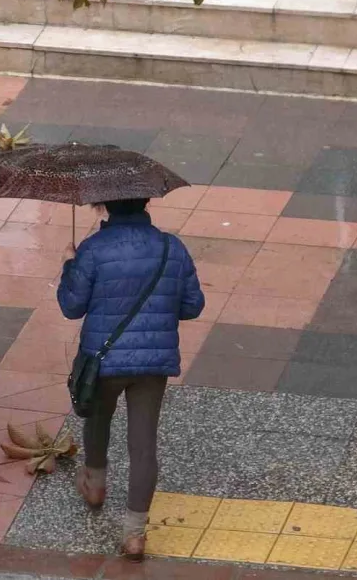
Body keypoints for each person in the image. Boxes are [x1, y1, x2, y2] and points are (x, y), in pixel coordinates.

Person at [57, 198, 204, 560]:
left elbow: (71, 306)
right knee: (143, 444)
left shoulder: (92, 250)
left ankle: (94, 485)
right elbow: (192, 305)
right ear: (146, 202)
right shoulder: (172, 247)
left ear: (105, 204)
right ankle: (134, 534)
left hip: (103, 360)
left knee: (97, 418)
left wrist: (69, 266)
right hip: (154, 363)